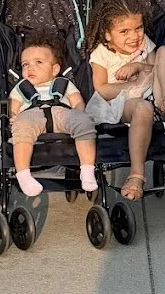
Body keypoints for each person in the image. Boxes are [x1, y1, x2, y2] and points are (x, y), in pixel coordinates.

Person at [85, 0, 165, 200]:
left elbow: (155, 68)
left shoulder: (144, 43)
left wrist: (138, 66)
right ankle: (136, 174)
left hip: (154, 93)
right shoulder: (101, 53)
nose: (134, 36)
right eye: (124, 31)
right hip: (123, 102)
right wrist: (131, 85)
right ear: (107, 34)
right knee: (143, 107)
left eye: (138, 28)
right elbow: (102, 88)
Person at [9, 34, 98, 196]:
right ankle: (24, 176)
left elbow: (78, 102)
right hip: (32, 115)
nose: (30, 68)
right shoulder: (21, 87)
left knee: (84, 121)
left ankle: (87, 170)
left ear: (55, 69)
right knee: (21, 125)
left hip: (62, 113)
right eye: (25, 64)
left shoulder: (64, 83)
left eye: (38, 62)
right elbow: (13, 108)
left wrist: (79, 113)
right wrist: (14, 116)